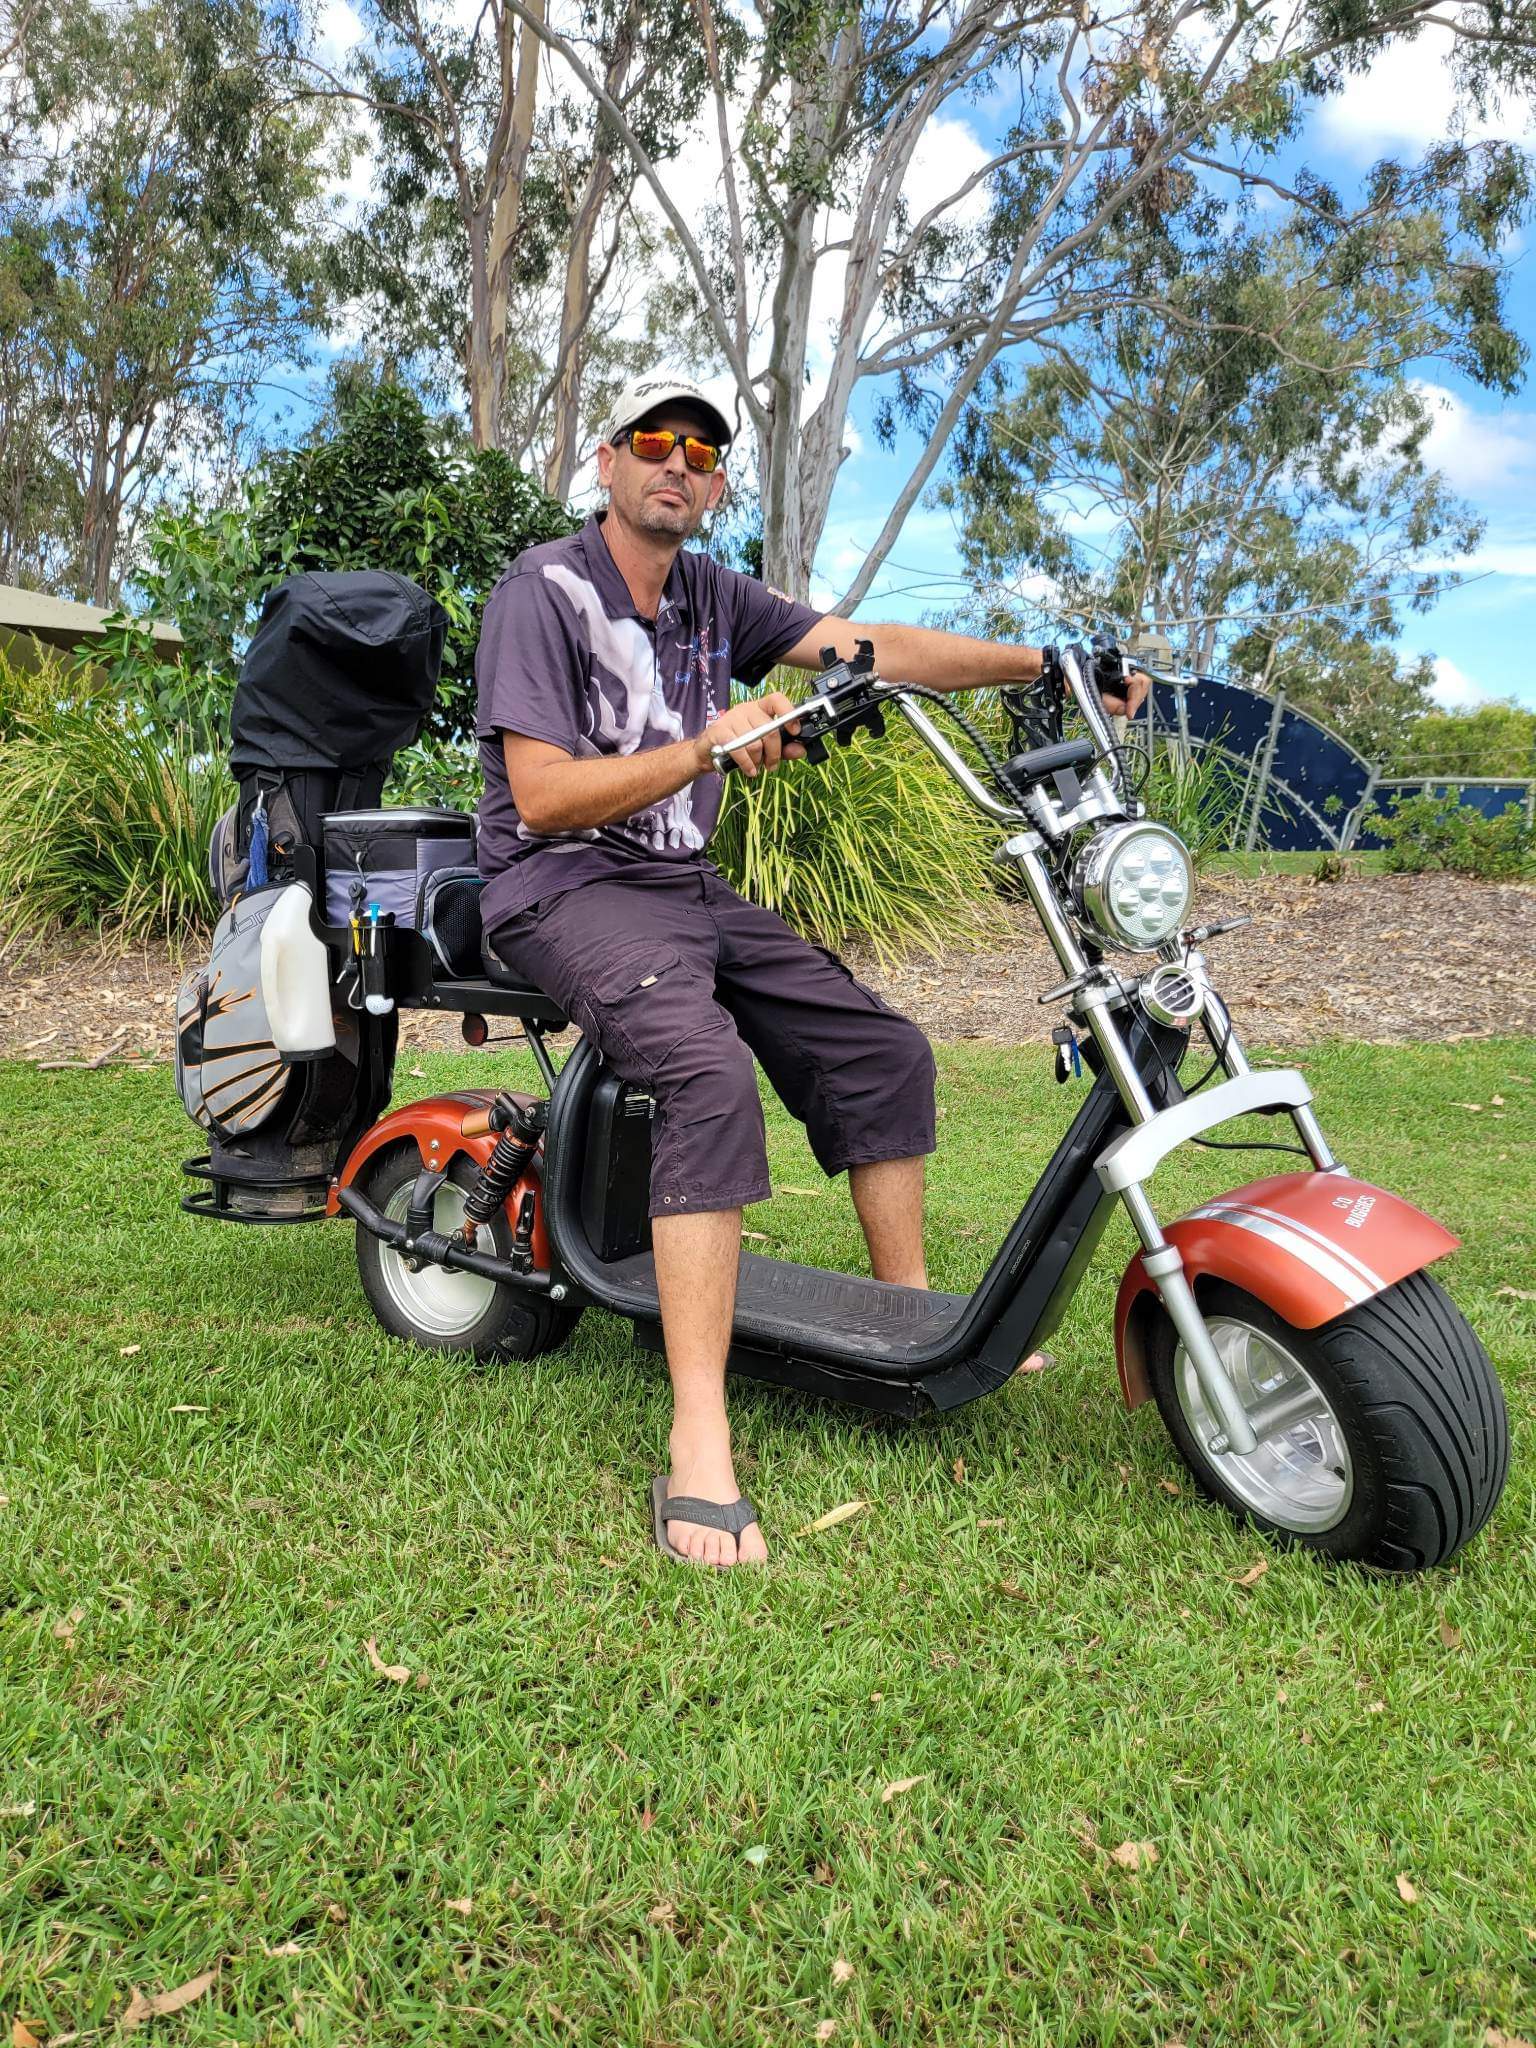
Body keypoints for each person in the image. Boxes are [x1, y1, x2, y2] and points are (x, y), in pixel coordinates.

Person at [474, 371, 1148, 1569]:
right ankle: (698, 1430)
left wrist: (1042, 663)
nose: (677, 462)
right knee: (705, 1078)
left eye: (701, 450)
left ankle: (907, 1322)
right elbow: (540, 795)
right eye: (654, 442)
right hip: (561, 887)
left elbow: (872, 646)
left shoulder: (709, 594)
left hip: (680, 887)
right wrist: (708, 745)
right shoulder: (545, 591)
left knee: (878, 1050)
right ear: (607, 462)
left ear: (716, 481)